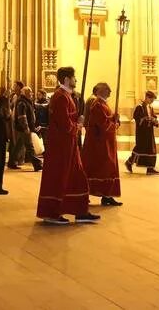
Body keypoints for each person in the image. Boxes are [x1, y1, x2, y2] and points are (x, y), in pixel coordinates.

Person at [36, 67, 100, 225]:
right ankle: (51, 212)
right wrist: (77, 125)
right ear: (66, 79)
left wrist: (77, 121)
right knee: (58, 178)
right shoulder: (61, 97)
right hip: (61, 146)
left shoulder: (66, 96)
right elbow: (63, 122)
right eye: (73, 77)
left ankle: (80, 211)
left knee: (77, 177)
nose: (76, 80)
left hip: (69, 145)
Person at [81, 83, 122, 206]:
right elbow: (103, 125)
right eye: (107, 89)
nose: (110, 91)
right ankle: (93, 194)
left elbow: (107, 119)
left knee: (108, 168)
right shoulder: (97, 105)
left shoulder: (103, 104)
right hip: (100, 144)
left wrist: (114, 118)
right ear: (99, 91)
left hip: (107, 142)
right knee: (101, 168)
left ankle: (107, 195)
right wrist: (113, 123)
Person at [126, 91, 159, 175]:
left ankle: (150, 168)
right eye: (151, 99)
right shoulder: (139, 107)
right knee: (140, 148)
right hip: (142, 132)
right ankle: (129, 162)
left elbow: (153, 117)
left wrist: (154, 120)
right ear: (147, 97)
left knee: (151, 149)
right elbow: (137, 117)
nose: (152, 101)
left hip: (149, 132)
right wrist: (145, 119)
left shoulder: (150, 107)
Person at [9, 86, 43, 172]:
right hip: (23, 129)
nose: (32, 93)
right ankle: (37, 164)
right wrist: (26, 127)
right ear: (25, 93)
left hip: (23, 128)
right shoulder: (22, 102)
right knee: (29, 146)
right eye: (30, 91)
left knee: (19, 146)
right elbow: (22, 116)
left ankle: (12, 162)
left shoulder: (26, 101)